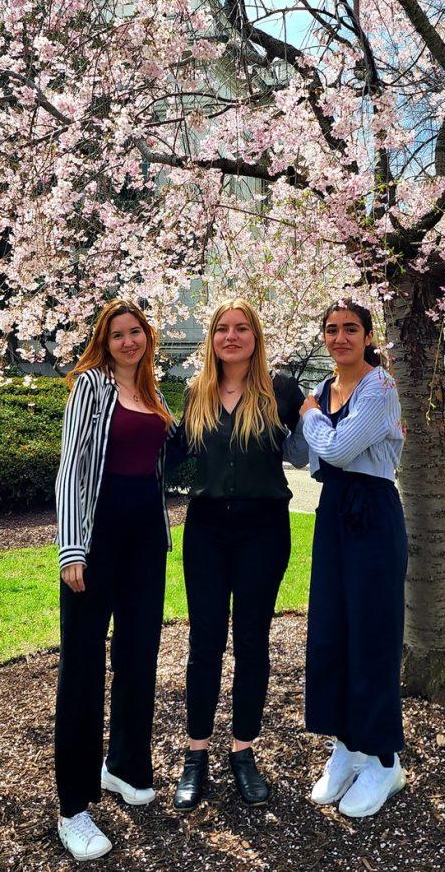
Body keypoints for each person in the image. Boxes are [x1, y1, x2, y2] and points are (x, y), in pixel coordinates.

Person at [170, 298, 308, 811]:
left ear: (256, 336)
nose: (232, 336)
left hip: (263, 531)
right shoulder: (195, 393)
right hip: (205, 531)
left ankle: (243, 752)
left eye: (242, 328)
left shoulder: (282, 391)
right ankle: (195, 756)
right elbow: (168, 454)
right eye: (223, 329)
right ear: (212, 338)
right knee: (204, 644)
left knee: (253, 642)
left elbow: (325, 433)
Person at [54, 299, 176, 861]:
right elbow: (73, 467)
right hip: (96, 541)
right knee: (82, 665)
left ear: (148, 338)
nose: (129, 341)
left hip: (146, 544)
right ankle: (73, 807)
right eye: (118, 334)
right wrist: (72, 547)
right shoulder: (92, 387)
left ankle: (125, 766)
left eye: (137, 332)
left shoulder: (153, 395)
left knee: (137, 656)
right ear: (104, 340)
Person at [298, 298, 408, 819]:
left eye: (350, 329)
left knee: (372, 632)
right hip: (334, 511)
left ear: (368, 336)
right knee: (331, 630)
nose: (340, 337)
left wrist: (313, 421)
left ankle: (384, 759)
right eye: (331, 329)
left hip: (374, 513)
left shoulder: (378, 388)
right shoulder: (324, 390)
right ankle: (347, 743)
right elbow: (312, 461)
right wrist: (321, 427)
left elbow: (337, 451)